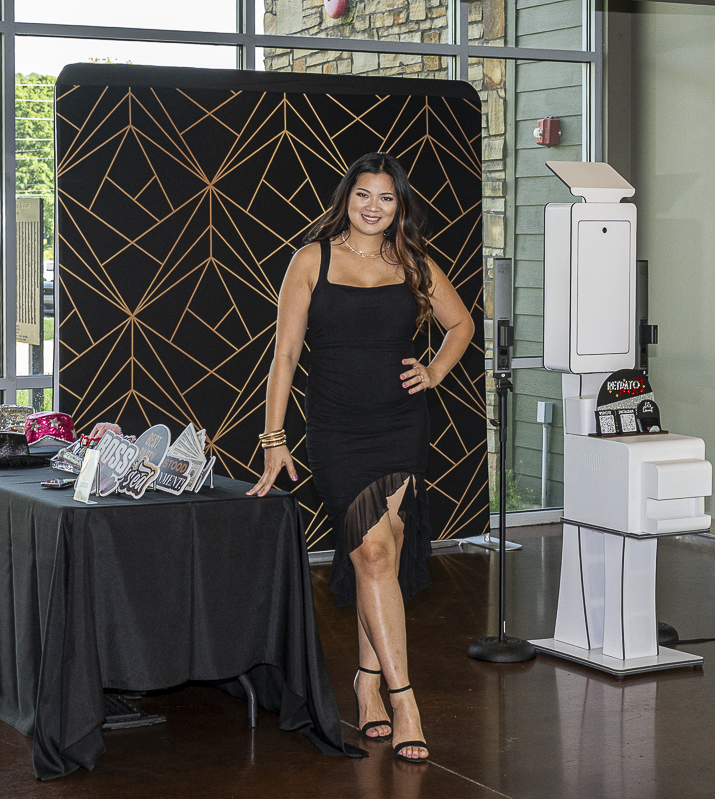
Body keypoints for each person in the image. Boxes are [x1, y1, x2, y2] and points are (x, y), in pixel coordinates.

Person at [249, 152, 474, 764]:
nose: (374, 207)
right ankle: (406, 702)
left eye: (387, 198)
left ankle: (368, 683)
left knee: (384, 556)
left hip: (401, 428)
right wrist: (274, 438)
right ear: (346, 198)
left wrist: (434, 372)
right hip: (337, 432)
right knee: (372, 553)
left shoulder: (413, 262)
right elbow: (285, 356)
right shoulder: (312, 260)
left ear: (399, 207)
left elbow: (461, 325)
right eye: (364, 195)